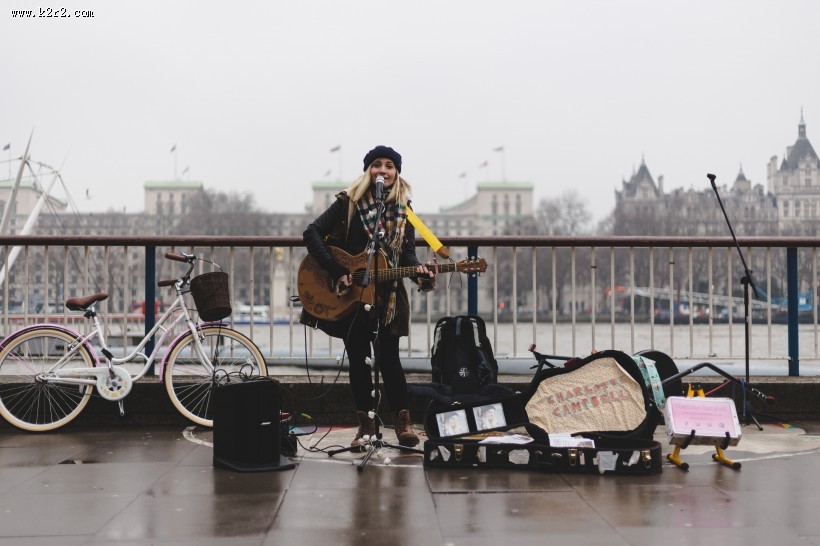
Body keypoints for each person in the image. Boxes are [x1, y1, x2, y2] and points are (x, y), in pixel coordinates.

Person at [301, 145, 435, 448]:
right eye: (377, 165)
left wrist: (420, 273)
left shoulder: (405, 211)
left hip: (387, 296)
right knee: (359, 360)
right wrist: (338, 271)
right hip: (351, 297)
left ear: (397, 173)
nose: (383, 171)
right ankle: (365, 426)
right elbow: (311, 233)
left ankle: (402, 424)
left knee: (390, 359)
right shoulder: (348, 203)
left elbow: (407, 256)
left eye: (390, 166)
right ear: (368, 172)